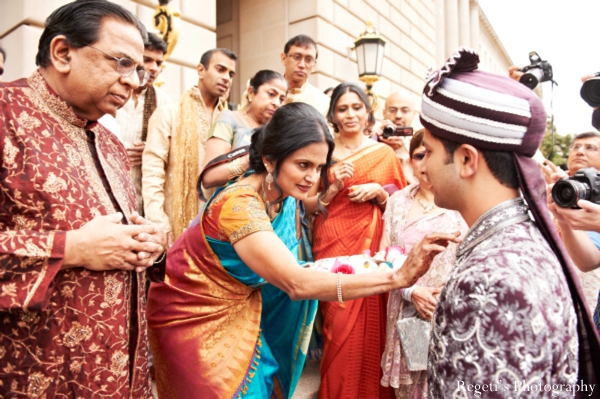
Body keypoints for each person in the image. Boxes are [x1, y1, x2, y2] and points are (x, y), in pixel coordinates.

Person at [146, 102, 459, 398]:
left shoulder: (284, 195)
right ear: (269, 160)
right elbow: (296, 282)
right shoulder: (239, 205)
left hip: (241, 309)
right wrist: (398, 277)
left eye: (319, 166)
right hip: (192, 320)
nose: (312, 178)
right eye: (303, 165)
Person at [0, 1, 166, 396]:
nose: (134, 81)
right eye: (122, 63)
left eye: (139, 69)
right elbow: (84, 245)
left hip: (121, 373)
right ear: (62, 53)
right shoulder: (4, 114)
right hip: (36, 376)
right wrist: (70, 249)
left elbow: (117, 241)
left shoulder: (109, 142)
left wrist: (149, 245)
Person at [420, 48, 600, 396]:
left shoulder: (492, 281)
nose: (422, 166)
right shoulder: (516, 243)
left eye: (427, 152)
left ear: (467, 159)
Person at [307, 83, 406, 399]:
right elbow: (308, 204)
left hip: (371, 250)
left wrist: (379, 193)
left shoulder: (384, 153)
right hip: (331, 243)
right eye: (342, 109)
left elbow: (404, 206)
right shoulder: (322, 152)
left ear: (367, 111)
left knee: (369, 327)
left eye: (356, 107)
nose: (350, 114)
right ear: (333, 115)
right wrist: (333, 186)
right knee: (337, 328)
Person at [380, 130, 468, 398]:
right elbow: (386, 255)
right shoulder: (398, 202)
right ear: (410, 160)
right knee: (414, 385)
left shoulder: (463, 199)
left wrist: (448, 293)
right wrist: (413, 291)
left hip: (452, 308)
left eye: (433, 155)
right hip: (410, 310)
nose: (426, 163)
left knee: (447, 383)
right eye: (420, 155)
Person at [142, 48, 237, 247]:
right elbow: (152, 172)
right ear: (201, 70)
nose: (226, 78)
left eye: (231, 74)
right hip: (174, 227)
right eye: (220, 69)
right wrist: (158, 222)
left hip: (217, 229)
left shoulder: (232, 121)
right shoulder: (169, 112)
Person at [539, 131, 600, 313]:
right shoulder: (554, 188)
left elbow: (588, 262)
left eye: (591, 148)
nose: (580, 152)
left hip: (581, 300)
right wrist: (562, 216)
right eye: (576, 147)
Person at [201, 70, 287, 190]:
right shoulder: (229, 119)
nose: (277, 103)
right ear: (251, 93)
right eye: (271, 94)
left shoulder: (278, 132)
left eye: (282, 99)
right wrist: (252, 158)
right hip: (232, 203)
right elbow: (209, 177)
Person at [116, 32, 172, 215]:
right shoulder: (112, 92)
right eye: (148, 60)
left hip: (142, 197)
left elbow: (174, 149)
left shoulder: (163, 102)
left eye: (158, 63)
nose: (154, 68)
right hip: (108, 187)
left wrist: (152, 149)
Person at [281, 35, 330, 116]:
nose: (302, 65)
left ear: (314, 65)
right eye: (297, 57)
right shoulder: (265, 91)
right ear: (283, 59)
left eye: (308, 60)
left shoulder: (324, 103)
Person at [376, 92, 419, 184]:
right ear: (383, 113)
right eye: (392, 110)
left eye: (405, 111)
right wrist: (375, 141)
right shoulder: (372, 140)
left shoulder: (423, 144)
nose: (398, 115)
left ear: (413, 114)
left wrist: (402, 152)